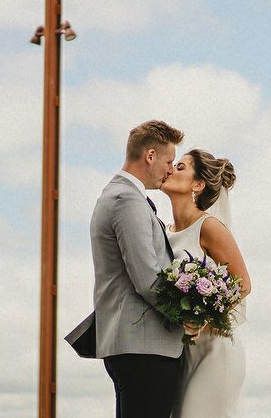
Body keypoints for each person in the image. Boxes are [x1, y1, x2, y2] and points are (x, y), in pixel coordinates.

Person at [88, 120, 188, 418]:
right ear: (150, 156)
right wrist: (187, 316)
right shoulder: (126, 199)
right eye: (169, 161)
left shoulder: (123, 196)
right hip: (144, 347)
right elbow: (147, 278)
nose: (171, 169)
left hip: (138, 346)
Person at [159, 149, 250, 417]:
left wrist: (205, 320)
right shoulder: (165, 231)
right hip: (185, 354)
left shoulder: (209, 226)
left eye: (181, 167)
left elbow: (243, 283)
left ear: (197, 185)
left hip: (215, 352)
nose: (171, 169)